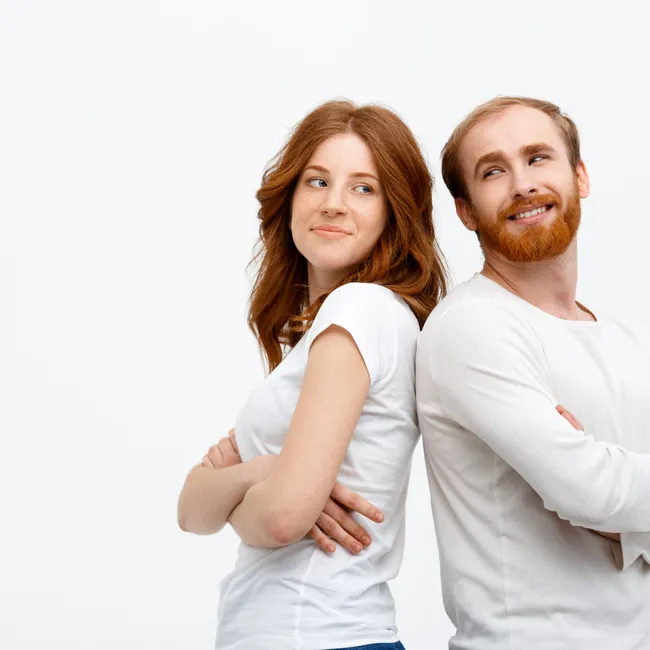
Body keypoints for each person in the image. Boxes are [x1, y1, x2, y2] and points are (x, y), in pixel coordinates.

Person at [177, 99, 448, 650]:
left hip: (318, 633)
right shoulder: (334, 329)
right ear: (291, 197)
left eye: (363, 188)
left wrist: (255, 482)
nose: (333, 204)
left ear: (395, 211)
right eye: (317, 181)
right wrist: (264, 473)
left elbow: (281, 518)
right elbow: (190, 510)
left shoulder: (360, 309)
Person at [416, 96, 650, 649]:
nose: (522, 185)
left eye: (537, 158)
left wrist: (621, 512)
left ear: (580, 176)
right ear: (466, 211)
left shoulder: (623, 337)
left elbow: (609, 491)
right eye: (493, 171)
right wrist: (602, 491)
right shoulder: (471, 325)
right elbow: (590, 489)